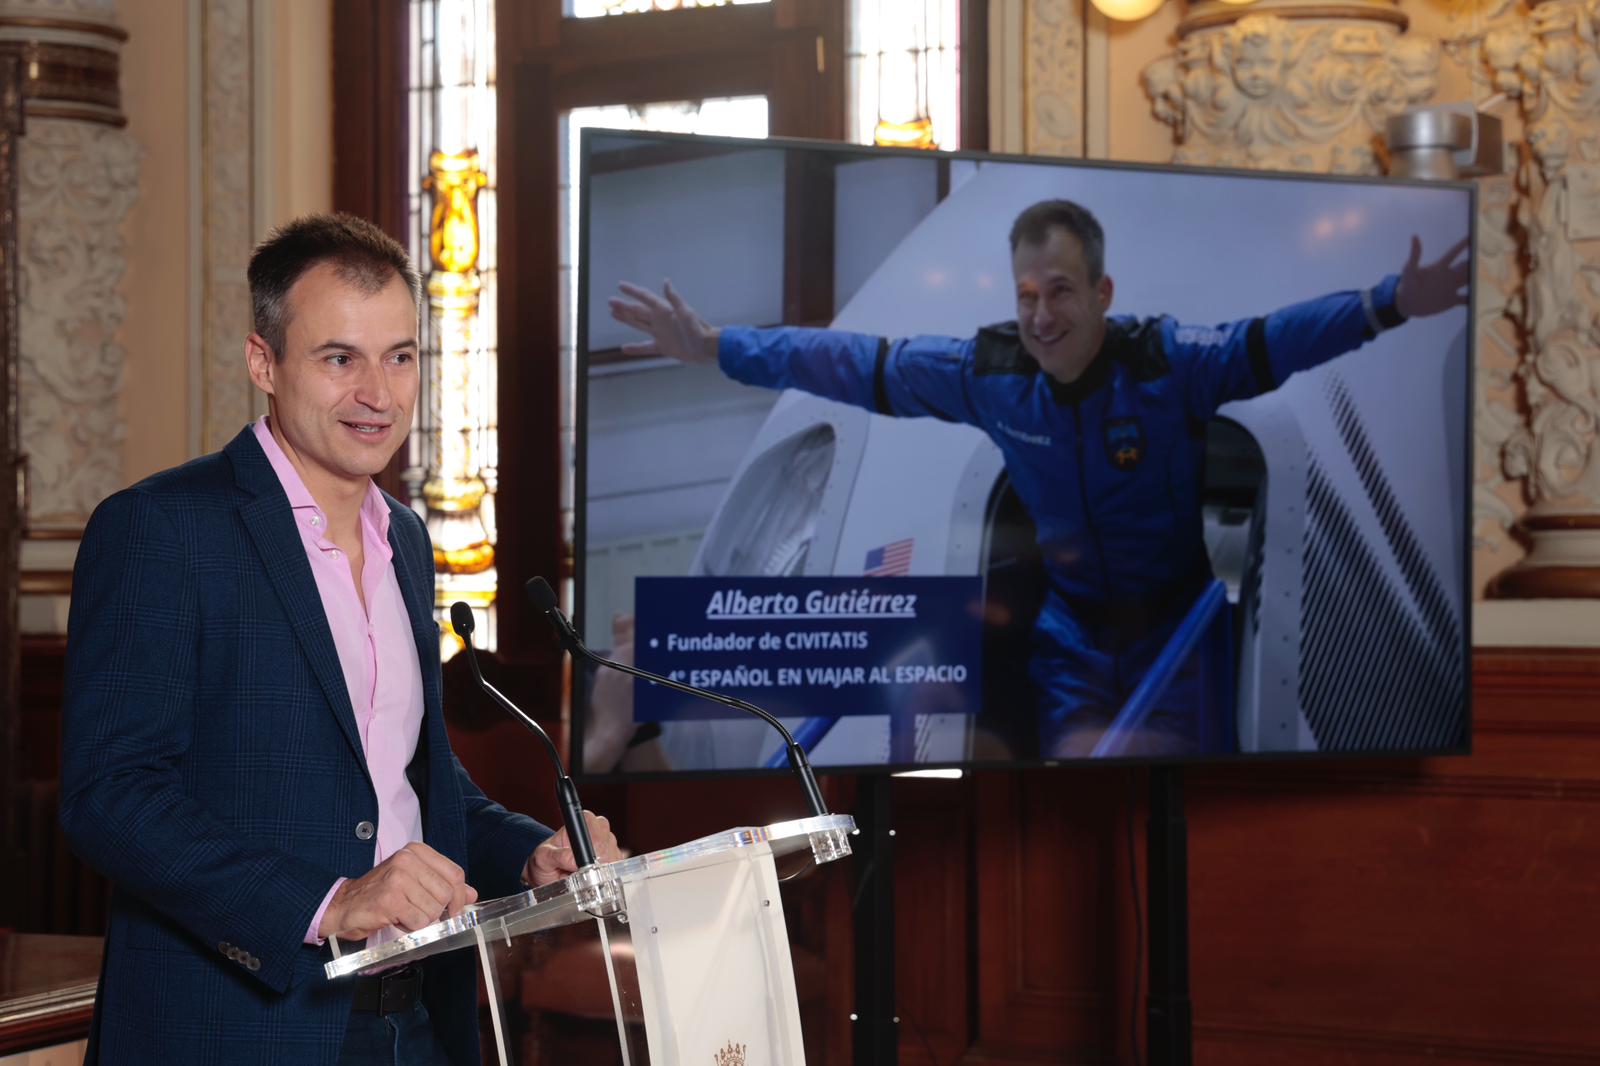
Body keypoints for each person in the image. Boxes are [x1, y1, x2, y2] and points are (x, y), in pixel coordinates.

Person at [609, 199, 1470, 759]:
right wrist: (718, 347)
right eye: (1026, 295)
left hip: (1177, 628)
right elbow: (854, 363)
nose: (1041, 316)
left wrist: (1388, 303)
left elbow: (1274, 340)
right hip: (1073, 637)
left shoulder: (1170, 364)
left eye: (1060, 292)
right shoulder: (991, 376)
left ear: (1102, 292)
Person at [59, 213, 620, 1066]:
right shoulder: (162, 529)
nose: (379, 395)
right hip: (239, 1032)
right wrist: (327, 902)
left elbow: (402, 777)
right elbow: (111, 795)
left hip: (414, 1020)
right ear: (264, 363)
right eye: (339, 359)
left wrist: (531, 852)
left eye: (400, 357)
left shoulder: (406, 539)